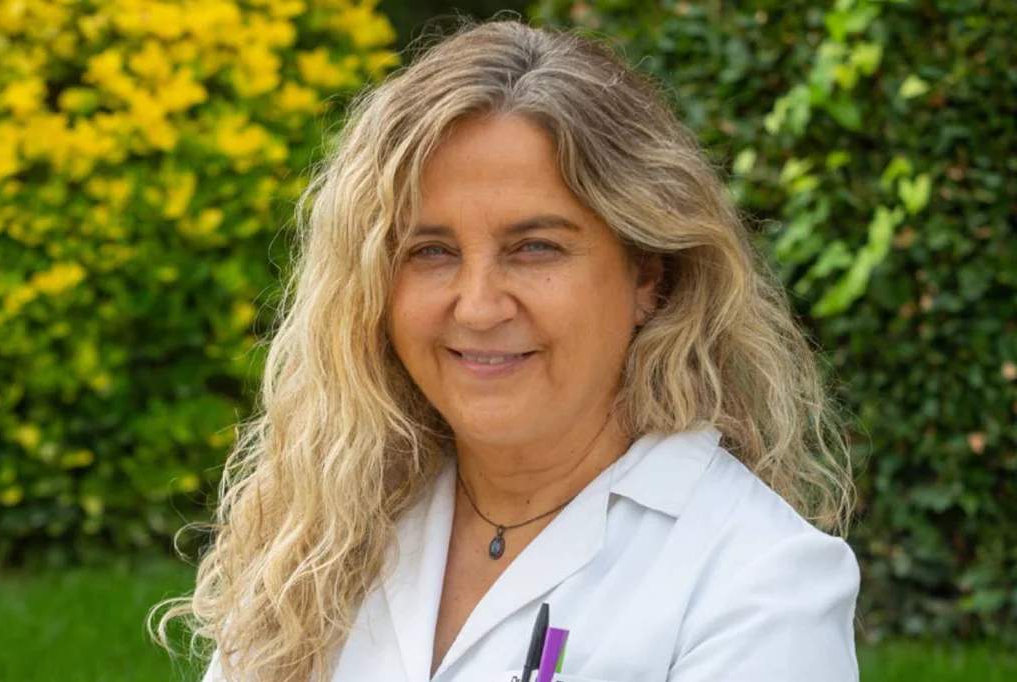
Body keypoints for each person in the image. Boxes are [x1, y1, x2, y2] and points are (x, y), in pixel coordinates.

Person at [152, 17, 860, 682]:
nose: (479, 305)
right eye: (429, 250)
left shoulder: (758, 581)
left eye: (535, 247)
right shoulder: (324, 531)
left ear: (650, 272)